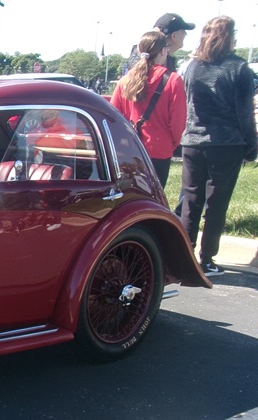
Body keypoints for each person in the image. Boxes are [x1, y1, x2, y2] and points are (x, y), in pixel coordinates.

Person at [179, 16, 258, 277]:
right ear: (230, 36)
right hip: (226, 143)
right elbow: (244, 113)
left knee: (190, 201)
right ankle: (207, 259)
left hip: (192, 141)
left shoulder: (192, 67)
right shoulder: (239, 69)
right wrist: (252, 146)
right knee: (216, 204)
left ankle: (184, 257)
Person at [110, 30, 186, 188]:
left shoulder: (125, 80)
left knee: (130, 196)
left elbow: (112, 116)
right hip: (159, 150)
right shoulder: (173, 80)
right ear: (163, 51)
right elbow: (178, 122)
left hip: (129, 150)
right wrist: (171, 144)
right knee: (154, 197)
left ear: (139, 51)